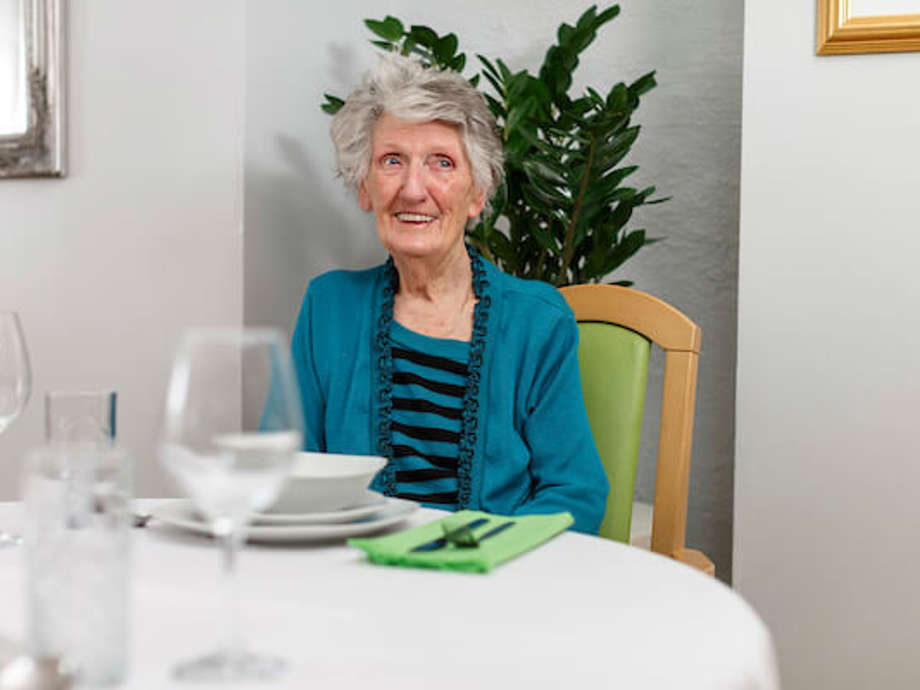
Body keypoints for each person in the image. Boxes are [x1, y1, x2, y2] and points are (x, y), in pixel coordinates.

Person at [291, 53, 608, 534]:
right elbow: (283, 473)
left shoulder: (537, 321)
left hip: (489, 585)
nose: (414, 189)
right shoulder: (327, 308)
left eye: (441, 163)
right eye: (392, 160)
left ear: (478, 193)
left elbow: (574, 493)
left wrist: (468, 559)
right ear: (365, 186)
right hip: (352, 583)